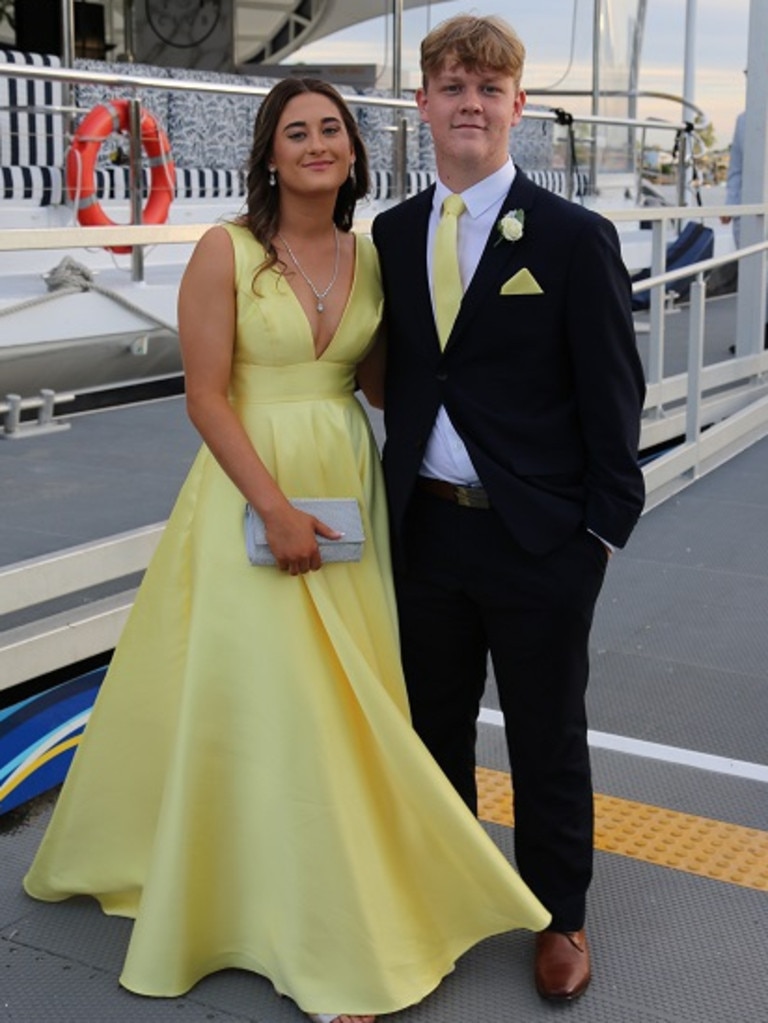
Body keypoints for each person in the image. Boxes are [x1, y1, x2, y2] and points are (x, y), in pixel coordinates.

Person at [23, 77, 550, 1023]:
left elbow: (390, 387)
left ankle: (339, 900)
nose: (316, 143)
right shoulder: (224, 251)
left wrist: (501, 381)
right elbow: (206, 397)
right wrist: (272, 507)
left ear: (352, 152)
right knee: (280, 701)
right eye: (296, 131)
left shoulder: (374, 254)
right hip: (250, 493)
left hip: (347, 490)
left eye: (332, 130)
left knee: (352, 700)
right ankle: (308, 930)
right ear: (270, 153)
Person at [373, 15, 646, 1003]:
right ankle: (451, 899)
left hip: (540, 537)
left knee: (545, 733)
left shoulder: (574, 239)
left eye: (490, 89)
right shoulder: (394, 236)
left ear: (517, 108)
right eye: (451, 86)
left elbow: (617, 397)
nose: (470, 104)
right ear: (423, 106)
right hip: (428, 528)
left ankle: (557, 914)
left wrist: (600, 534)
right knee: (434, 728)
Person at [720, 108, 768, 350]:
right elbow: (736, 168)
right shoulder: (744, 120)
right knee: (752, 272)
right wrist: (730, 205)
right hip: (750, 212)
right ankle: (754, 336)